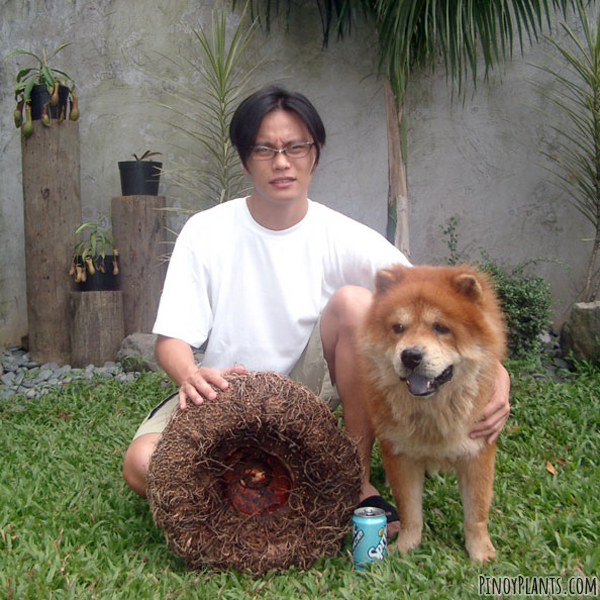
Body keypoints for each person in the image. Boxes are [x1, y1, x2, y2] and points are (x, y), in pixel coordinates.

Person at [122, 85, 510, 534]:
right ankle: (274, 485)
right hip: (224, 393)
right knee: (140, 464)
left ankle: (353, 482)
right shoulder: (205, 231)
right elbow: (171, 340)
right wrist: (189, 374)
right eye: (265, 149)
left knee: (356, 303)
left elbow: (439, 300)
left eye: (295, 147)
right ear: (245, 158)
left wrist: (498, 374)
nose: (281, 162)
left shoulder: (341, 233)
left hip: (309, 396)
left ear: (315, 154)